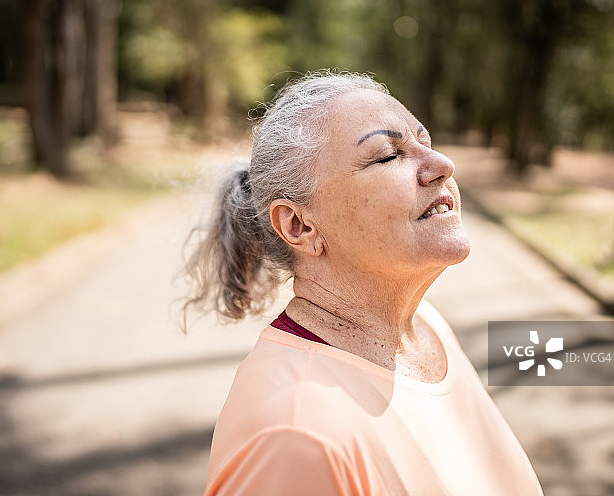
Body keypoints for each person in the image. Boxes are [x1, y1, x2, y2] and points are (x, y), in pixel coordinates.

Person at [184, 71, 543, 495]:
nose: (442, 165)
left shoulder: (426, 326)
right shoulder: (292, 435)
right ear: (299, 225)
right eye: (388, 156)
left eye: (424, 141)